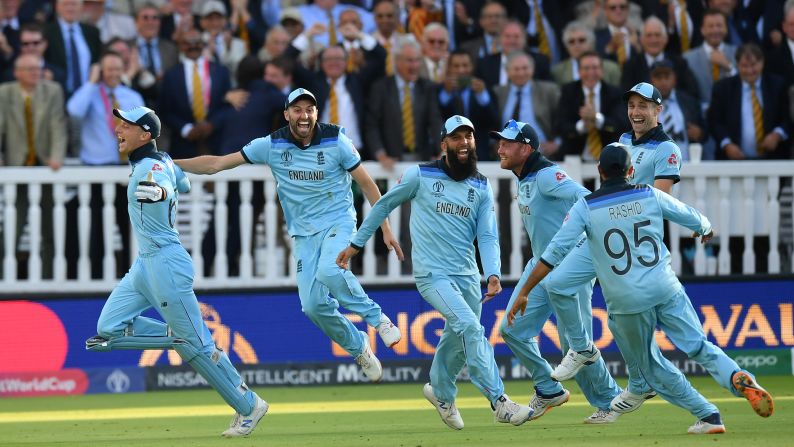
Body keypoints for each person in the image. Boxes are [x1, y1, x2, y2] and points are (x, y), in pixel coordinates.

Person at [506, 143, 775, 434]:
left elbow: (553, 254)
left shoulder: (586, 207)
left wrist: (525, 290)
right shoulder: (649, 193)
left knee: (652, 367)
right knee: (699, 345)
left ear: (599, 172)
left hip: (627, 301)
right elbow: (691, 216)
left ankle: (707, 414)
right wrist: (706, 228)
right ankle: (736, 375)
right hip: (666, 287)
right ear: (631, 171)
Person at [173, 88, 403, 382]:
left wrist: (385, 228)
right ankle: (358, 347)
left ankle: (378, 319)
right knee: (312, 306)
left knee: (331, 271)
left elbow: (369, 186)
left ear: (316, 114)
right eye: (297, 110)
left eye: (309, 109)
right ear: (287, 115)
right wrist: (171, 163)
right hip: (304, 234)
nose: (304, 115)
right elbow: (217, 164)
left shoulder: (337, 141)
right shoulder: (271, 145)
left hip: (338, 221)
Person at [337, 115, 534, 430]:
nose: (464, 143)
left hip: (468, 276)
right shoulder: (420, 175)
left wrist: (493, 272)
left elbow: (487, 235)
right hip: (433, 275)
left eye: (468, 137)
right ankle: (500, 402)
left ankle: (440, 391)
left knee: (457, 337)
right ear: (444, 144)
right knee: (470, 328)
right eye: (456, 138)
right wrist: (357, 244)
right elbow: (384, 204)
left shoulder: (481, 185)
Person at [85, 106, 268, 437]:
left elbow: (163, 188)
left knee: (195, 345)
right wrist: (168, 174)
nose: (118, 130)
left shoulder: (149, 171)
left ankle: (249, 404)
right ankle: (178, 336)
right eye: (119, 124)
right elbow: (182, 185)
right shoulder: (160, 162)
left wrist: (158, 190)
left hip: (166, 264)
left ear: (145, 135)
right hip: (146, 263)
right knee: (109, 328)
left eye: (127, 126)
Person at [491, 119, 622, 423]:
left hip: (570, 268)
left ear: (525, 148)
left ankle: (610, 403)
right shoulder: (524, 176)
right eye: (499, 143)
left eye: (506, 144)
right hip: (541, 265)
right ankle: (549, 388)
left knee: (573, 345)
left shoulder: (548, 175)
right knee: (512, 330)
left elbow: (587, 200)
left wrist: (582, 248)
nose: (500, 149)